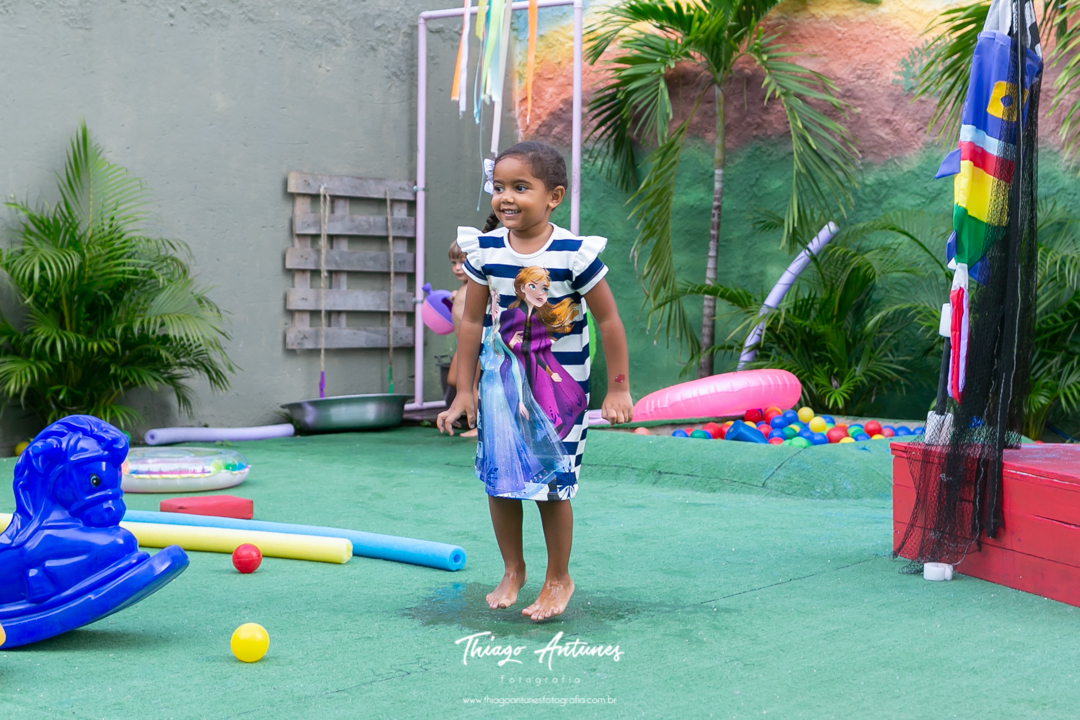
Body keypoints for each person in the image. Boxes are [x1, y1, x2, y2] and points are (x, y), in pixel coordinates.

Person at [437, 141, 633, 621]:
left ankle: (558, 577)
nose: (506, 197)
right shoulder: (484, 252)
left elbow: (608, 321)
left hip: (557, 390)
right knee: (500, 480)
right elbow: (470, 324)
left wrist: (619, 387)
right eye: (499, 187)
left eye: (521, 187)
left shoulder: (573, 254)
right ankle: (513, 568)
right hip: (501, 387)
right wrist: (463, 390)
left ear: (554, 196)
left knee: (551, 485)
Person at [445, 240, 478, 437]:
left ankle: (479, 427)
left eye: (463, 262)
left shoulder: (476, 287)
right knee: (453, 379)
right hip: (462, 344)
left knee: (470, 383)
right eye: (453, 263)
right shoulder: (465, 288)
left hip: (473, 344)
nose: (457, 268)